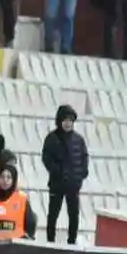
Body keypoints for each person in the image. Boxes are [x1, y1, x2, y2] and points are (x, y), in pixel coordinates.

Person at [41, 104, 89, 245]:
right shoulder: (51, 138)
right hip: (57, 183)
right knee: (53, 214)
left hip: (73, 184)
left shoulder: (79, 140)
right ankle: (50, 240)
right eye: (65, 120)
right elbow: (46, 158)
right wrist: (58, 172)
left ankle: (72, 241)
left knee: (73, 214)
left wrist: (81, 174)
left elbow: (84, 157)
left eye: (70, 120)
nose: (68, 123)